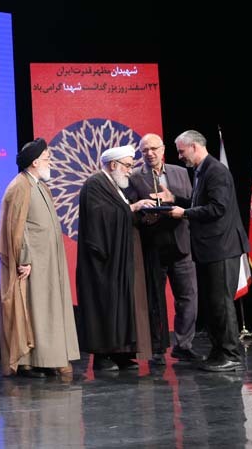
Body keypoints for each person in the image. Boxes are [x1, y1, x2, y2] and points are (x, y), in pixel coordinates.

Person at [161, 130, 249, 372]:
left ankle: (230, 354)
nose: (180, 156)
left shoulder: (216, 171)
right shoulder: (202, 171)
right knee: (212, 304)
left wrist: (184, 213)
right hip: (209, 249)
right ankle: (218, 351)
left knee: (221, 303)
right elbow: (199, 203)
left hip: (222, 248)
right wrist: (175, 199)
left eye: (182, 151)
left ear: (195, 146)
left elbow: (218, 208)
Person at [0, 138, 80, 378]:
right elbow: (16, 227)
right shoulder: (20, 186)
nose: (50, 162)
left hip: (48, 262)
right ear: (34, 162)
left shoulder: (39, 185)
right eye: (46, 158)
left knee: (48, 310)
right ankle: (32, 362)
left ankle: (50, 359)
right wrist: (24, 258)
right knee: (35, 311)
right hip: (32, 264)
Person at [124, 133, 205, 365]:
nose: (149, 154)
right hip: (153, 247)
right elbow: (130, 209)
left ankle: (184, 345)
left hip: (182, 245)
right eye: (144, 151)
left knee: (188, 297)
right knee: (154, 301)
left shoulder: (180, 172)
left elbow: (191, 202)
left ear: (162, 150)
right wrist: (144, 217)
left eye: (153, 149)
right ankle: (157, 348)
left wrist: (174, 200)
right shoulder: (134, 177)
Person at [76, 145, 156, 371]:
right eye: (128, 166)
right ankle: (103, 356)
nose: (130, 171)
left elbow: (119, 212)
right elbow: (100, 217)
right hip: (103, 261)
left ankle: (122, 353)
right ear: (113, 165)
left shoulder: (115, 186)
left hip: (120, 258)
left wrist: (140, 212)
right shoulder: (95, 184)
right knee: (106, 306)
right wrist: (132, 208)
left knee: (122, 307)